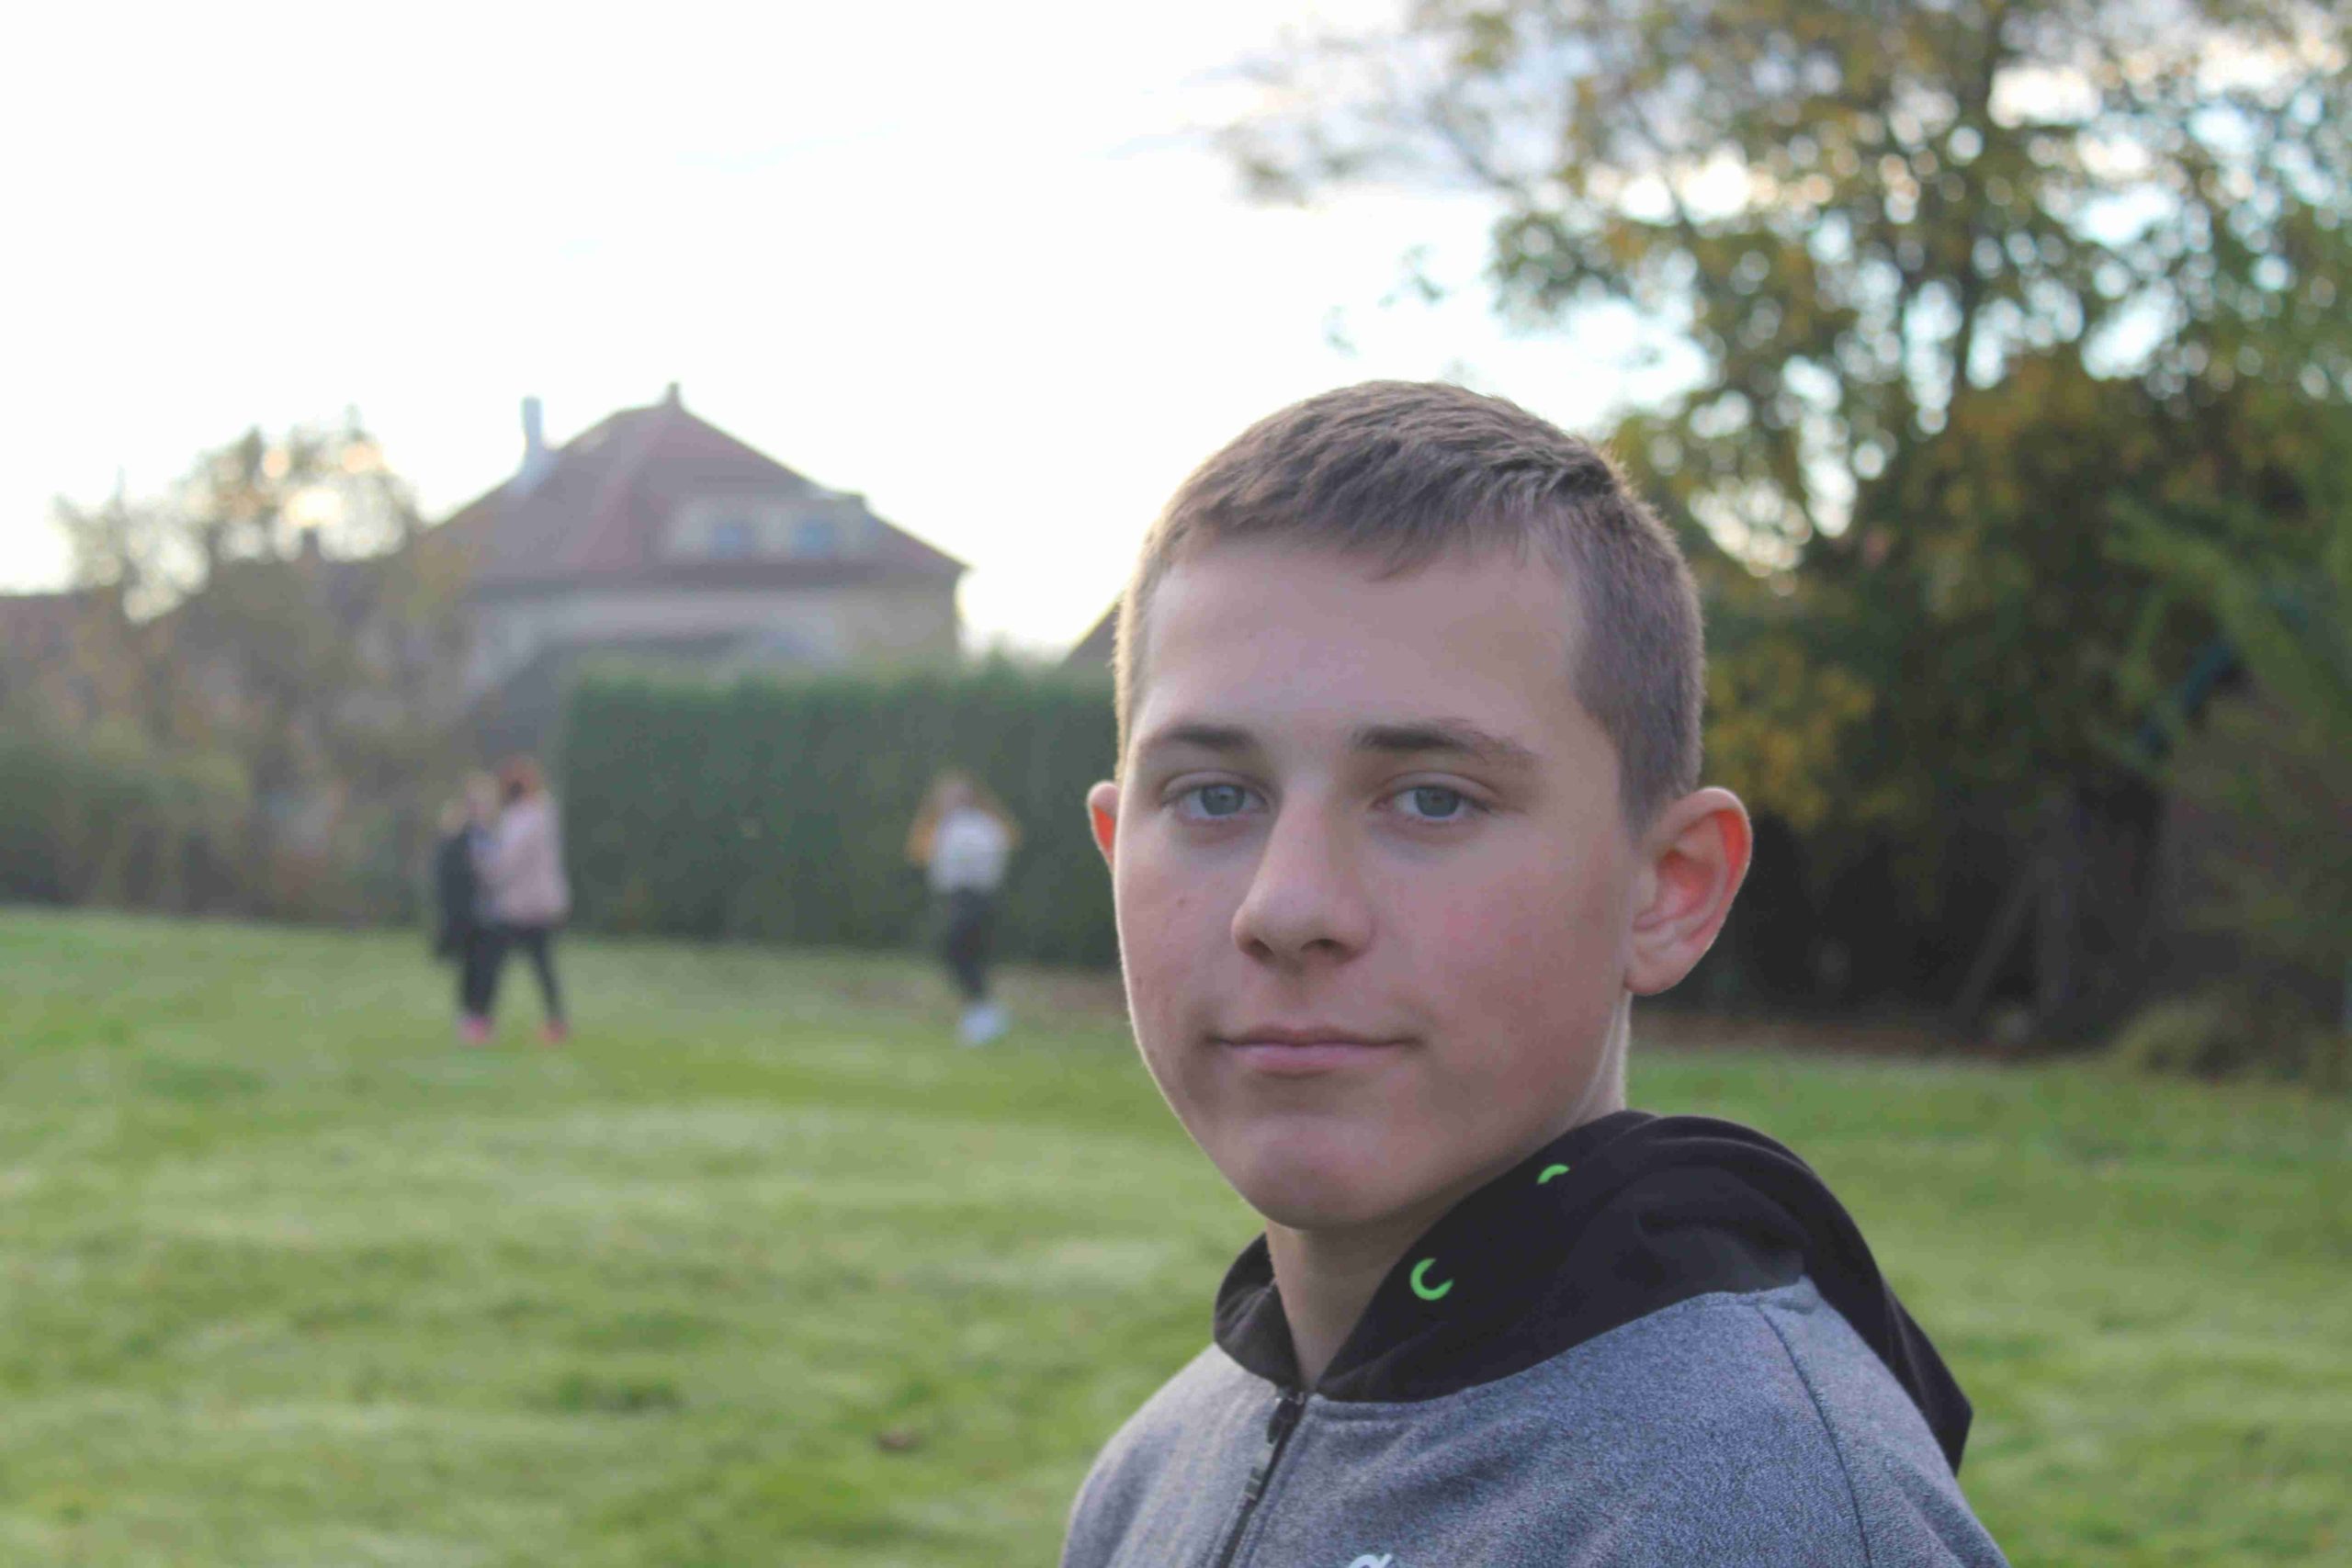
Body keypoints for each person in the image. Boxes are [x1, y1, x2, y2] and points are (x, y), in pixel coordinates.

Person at [1061, 382, 2007, 1566]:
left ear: (1667, 889)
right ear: (1117, 851)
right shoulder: (1151, 1476)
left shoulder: (1754, 1516)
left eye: (1431, 799)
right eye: (1212, 797)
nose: (1286, 908)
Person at [906, 770, 1018, 1044]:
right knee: (965, 956)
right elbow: (919, 852)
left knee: (958, 952)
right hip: (961, 899)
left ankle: (984, 1012)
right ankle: (981, 1013)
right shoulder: (951, 825)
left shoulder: (973, 826)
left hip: (971, 898)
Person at [471, 755, 571, 1045]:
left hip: (524, 906)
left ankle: (482, 1023)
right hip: (535, 904)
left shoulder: (527, 817)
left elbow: (507, 861)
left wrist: (481, 866)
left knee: (496, 963)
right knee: (540, 965)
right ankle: (555, 1023)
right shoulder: (541, 812)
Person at [435, 773, 500, 1043]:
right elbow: (447, 879)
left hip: (495, 915)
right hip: (468, 916)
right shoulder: (457, 839)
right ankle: (469, 1019)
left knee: (490, 971)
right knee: (470, 970)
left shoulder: (498, 836)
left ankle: (484, 1019)